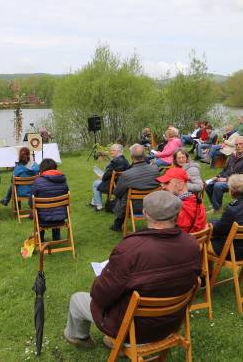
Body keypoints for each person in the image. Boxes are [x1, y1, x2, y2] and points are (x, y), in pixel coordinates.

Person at [62, 191, 200, 348]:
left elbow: (100, 295)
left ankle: (79, 337)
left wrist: (103, 277)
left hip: (132, 330)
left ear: (145, 213)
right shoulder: (192, 244)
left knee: (78, 299)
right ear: (177, 214)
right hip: (170, 324)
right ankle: (116, 341)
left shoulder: (131, 249)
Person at [210, 174, 243, 260]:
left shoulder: (232, 210)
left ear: (231, 191)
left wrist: (211, 223)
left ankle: (207, 273)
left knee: (201, 242)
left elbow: (219, 230)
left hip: (232, 251)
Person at [110, 144, 159, 232]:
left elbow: (117, 192)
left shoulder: (126, 174)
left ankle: (117, 224)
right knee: (125, 196)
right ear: (144, 156)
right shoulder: (155, 169)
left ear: (131, 157)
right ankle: (117, 224)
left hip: (133, 207)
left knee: (122, 197)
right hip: (153, 204)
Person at [205, 137, 243, 214]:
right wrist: (218, 176)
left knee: (218, 186)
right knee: (208, 184)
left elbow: (242, 176)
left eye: (240, 144)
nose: (238, 146)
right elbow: (225, 169)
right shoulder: (233, 155)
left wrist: (226, 180)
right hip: (228, 178)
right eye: (236, 144)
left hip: (240, 183)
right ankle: (215, 205)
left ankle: (217, 209)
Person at [157, 167, 206, 233]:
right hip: (195, 241)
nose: (163, 187)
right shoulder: (196, 201)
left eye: (167, 183)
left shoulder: (175, 210)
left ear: (180, 184)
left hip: (177, 241)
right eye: (162, 183)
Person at [30, 158, 69, 241]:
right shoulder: (63, 181)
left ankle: (40, 239)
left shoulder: (37, 182)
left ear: (42, 169)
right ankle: (56, 238)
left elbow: (31, 202)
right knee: (56, 208)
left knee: (37, 211)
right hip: (60, 218)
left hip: (43, 220)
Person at [90, 144, 129, 211]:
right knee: (98, 182)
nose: (111, 152)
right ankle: (94, 201)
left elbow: (107, 175)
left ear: (119, 151)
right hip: (122, 184)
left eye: (113, 150)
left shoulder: (114, 162)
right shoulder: (126, 161)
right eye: (111, 150)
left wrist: (102, 177)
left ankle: (98, 205)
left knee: (95, 183)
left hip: (113, 185)